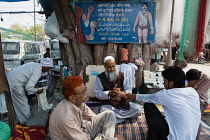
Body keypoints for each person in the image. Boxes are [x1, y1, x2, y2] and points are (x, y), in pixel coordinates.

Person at [124, 66, 201, 139]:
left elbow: (143, 98)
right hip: (192, 137)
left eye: (164, 81)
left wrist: (127, 95)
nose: (163, 83)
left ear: (171, 83)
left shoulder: (166, 94)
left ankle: (153, 137)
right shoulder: (192, 91)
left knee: (148, 105)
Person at [49, 76, 124, 140]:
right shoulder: (66, 118)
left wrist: (107, 134)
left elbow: (95, 119)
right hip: (77, 137)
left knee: (109, 114)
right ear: (72, 98)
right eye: (83, 92)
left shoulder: (79, 103)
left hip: (82, 130)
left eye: (85, 89)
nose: (87, 93)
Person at [94, 56, 142, 123]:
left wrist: (123, 94)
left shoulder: (122, 75)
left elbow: (128, 88)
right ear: (105, 66)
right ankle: (120, 118)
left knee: (138, 110)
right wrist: (110, 92)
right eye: (109, 67)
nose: (112, 69)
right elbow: (97, 93)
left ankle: (116, 119)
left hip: (122, 104)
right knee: (105, 113)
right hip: (109, 105)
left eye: (113, 66)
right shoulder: (100, 78)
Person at [7, 58, 54, 124]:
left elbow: (28, 82)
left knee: (17, 103)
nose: (48, 70)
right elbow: (29, 87)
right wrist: (37, 90)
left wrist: (34, 88)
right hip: (15, 82)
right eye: (49, 68)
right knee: (23, 103)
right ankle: (26, 122)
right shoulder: (38, 70)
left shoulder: (35, 65)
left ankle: (19, 120)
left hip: (12, 79)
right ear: (46, 67)